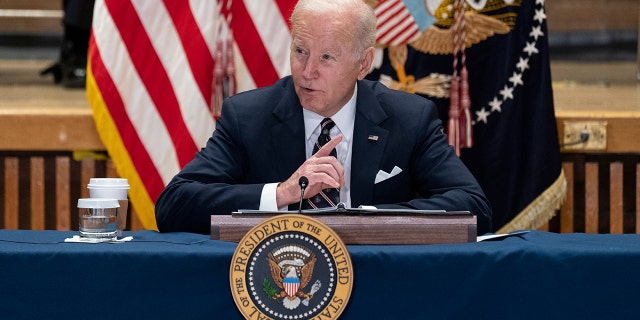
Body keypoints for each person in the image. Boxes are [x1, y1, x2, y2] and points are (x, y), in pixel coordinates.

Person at [155, 0, 492, 235]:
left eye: (327, 57)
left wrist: (370, 221)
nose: (307, 71)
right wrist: (282, 193)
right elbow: (174, 205)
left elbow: (474, 208)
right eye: (300, 51)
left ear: (363, 64)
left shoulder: (409, 118)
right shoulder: (247, 117)